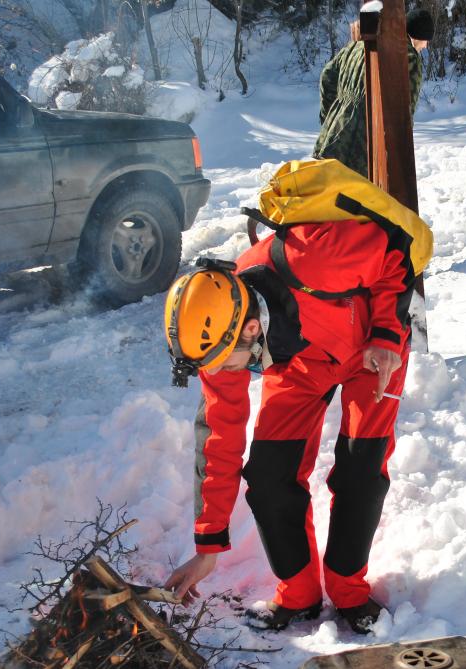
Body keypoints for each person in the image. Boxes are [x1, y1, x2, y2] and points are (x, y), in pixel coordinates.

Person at [163, 164, 428, 634]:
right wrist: (209, 546)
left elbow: (394, 255)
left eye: (233, 362)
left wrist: (387, 331)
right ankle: (298, 596)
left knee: (360, 468)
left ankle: (349, 593)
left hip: (372, 348)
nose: (230, 374)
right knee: (268, 476)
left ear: (249, 327)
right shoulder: (220, 344)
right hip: (302, 363)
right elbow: (220, 441)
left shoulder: (314, 256)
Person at [312, 8, 435, 177]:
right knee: (353, 200)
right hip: (363, 151)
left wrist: (331, 117)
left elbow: (327, 75)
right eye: (426, 40)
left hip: (331, 137)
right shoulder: (406, 56)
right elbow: (403, 115)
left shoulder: (357, 45)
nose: (426, 45)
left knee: (324, 194)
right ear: (416, 36)